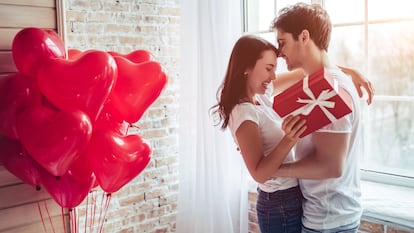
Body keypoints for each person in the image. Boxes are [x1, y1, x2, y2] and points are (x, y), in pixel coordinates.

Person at [210, 34, 373, 233]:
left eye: (274, 69)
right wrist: (290, 138)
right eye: (268, 69)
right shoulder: (244, 113)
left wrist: (350, 72)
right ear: (246, 68)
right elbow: (259, 174)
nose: (273, 77)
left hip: (291, 197)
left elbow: (308, 71)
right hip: (278, 205)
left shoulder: (261, 97)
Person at [270, 3, 367, 233]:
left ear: (304, 36)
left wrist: (275, 169)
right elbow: (265, 85)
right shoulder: (320, 82)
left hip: (328, 221)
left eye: (282, 42)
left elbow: (331, 166)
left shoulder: (329, 92)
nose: (279, 52)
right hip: (330, 216)